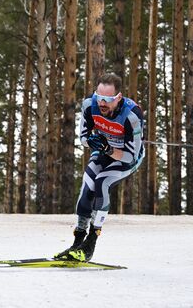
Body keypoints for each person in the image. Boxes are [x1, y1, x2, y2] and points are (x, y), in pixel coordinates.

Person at [55, 73, 145, 262]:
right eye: (99, 97)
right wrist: (93, 143)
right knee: (88, 184)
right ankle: (77, 242)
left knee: (101, 182)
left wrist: (108, 148)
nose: (102, 103)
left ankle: (90, 243)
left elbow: (130, 156)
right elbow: (83, 138)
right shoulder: (90, 104)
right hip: (104, 151)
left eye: (108, 99)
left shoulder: (131, 116)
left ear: (118, 97)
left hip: (125, 158)